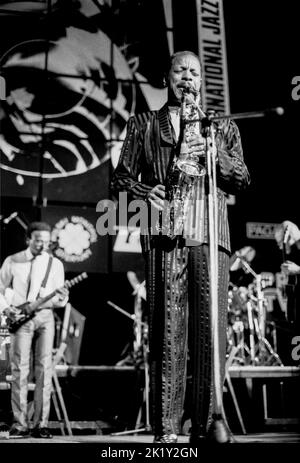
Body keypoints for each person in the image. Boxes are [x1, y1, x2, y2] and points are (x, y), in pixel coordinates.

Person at [111, 50, 250, 443]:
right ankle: (166, 432)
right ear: (166, 77)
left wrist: (214, 151)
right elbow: (119, 181)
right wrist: (143, 190)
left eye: (194, 72)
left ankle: (207, 427)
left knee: (211, 334)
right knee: (167, 333)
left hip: (209, 234)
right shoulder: (142, 124)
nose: (187, 77)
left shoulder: (220, 126)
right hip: (163, 233)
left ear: (201, 81)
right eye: (179, 71)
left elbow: (241, 179)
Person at [0, 221, 68, 438]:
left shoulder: (54, 264)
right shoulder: (13, 261)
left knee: (44, 369)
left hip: (45, 318)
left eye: (46, 242)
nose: (42, 245)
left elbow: (61, 299)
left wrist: (57, 299)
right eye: (38, 240)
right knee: (19, 370)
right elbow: (0, 289)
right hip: (20, 320)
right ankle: (20, 423)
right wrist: (6, 309)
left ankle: (41, 423)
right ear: (28, 239)